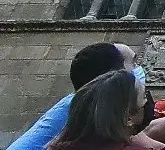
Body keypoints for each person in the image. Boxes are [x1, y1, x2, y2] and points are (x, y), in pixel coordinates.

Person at [10, 42, 142, 150]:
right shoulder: (86, 110)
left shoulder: (78, 102)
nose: (138, 69)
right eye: (134, 64)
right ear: (113, 76)